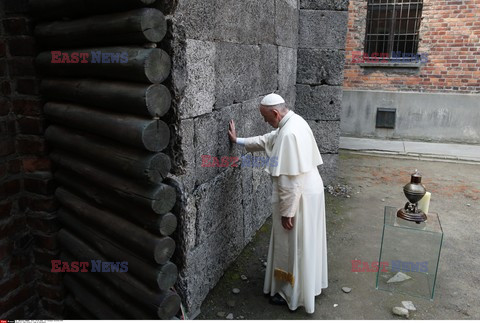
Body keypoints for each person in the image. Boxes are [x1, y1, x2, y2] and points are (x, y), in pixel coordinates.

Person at [228, 93, 328, 314]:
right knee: (307, 241)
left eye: (265, 117)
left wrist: (287, 213)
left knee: (294, 245)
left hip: (299, 196)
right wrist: (239, 141)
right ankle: (308, 285)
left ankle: (290, 293)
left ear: (275, 112)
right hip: (311, 190)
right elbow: (268, 139)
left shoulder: (289, 132)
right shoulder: (294, 121)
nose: (265, 121)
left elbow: (289, 181)